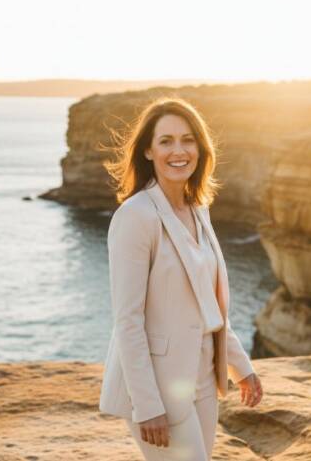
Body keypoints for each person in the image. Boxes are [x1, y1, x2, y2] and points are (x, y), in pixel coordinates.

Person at [98, 97, 263, 460]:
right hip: (159, 386)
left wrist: (241, 368)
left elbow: (210, 304)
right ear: (147, 150)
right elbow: (128, 321)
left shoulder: (198, 209)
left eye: (188, 140)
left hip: (202, 379)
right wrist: (146, 404)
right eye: (166, 141)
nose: (179, 150)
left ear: (200, 149)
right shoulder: (136, 216)